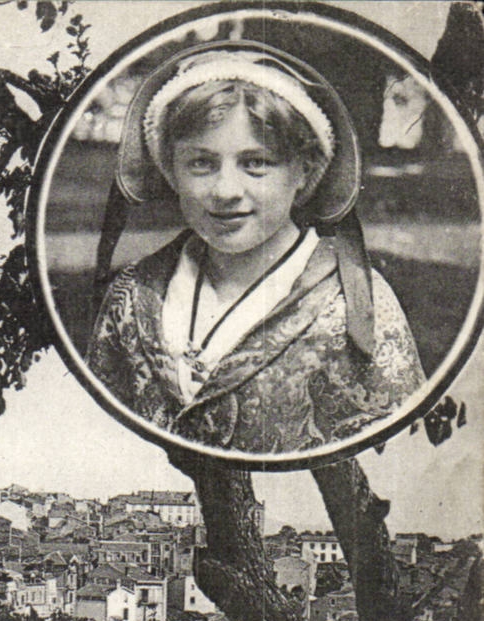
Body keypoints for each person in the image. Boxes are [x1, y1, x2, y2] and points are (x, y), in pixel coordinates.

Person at [86, 42, 424, 456]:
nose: (226, 191)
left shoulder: (355, 306)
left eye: (256, 163)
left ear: (305, 169)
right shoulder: (135, 294)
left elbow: (398, 456)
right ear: (170, 169)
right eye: (201, 163)